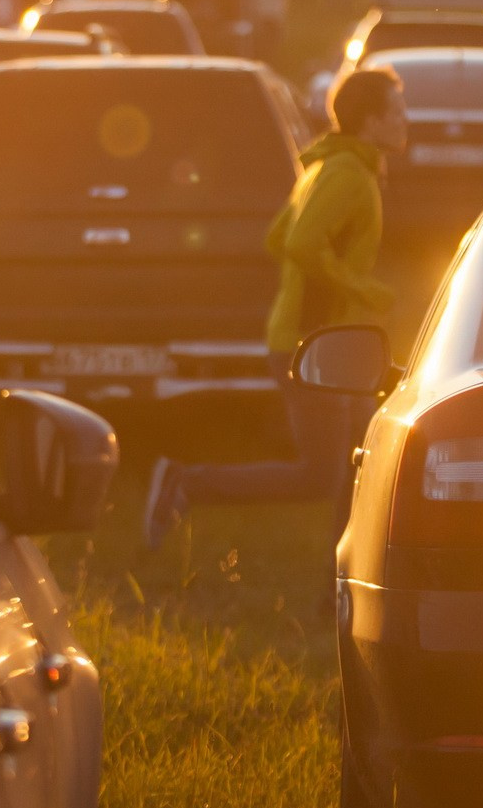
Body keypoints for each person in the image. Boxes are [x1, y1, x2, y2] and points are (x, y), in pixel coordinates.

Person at [144, 67, 408, 548]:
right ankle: (185, 483)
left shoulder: (326, 167)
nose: (405, 120)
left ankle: (339, 585)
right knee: (322, 475)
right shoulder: (347, 174)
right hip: (317, 345)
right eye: (394, 112)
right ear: (369, 123)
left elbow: (276, 237)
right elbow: (302, 243)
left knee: (360, 465)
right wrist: (366, 291)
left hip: (328, 340)